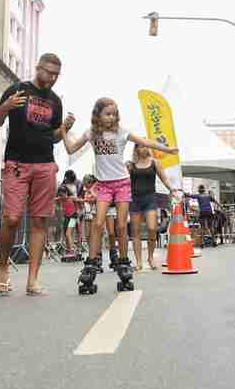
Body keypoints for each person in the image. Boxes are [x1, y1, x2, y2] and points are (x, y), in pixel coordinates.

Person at [64, 97, 178, 295]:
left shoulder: (121, 132)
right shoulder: (91, 133)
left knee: (120, 225)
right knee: (98, 224)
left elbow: (145, 141)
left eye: (114, 113)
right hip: (104, 185)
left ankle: (124, 263)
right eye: (108, 113)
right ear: (98, 115)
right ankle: (91, 263)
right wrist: (64, 131)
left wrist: (167, 149)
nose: (112, 117)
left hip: (122, 183)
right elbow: (71, 148)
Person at [0, 53, 72, 296]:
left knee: (39, 221)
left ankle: (32, 279)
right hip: (17, 163)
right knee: (12, 218)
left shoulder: (56, 101)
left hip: (45, 164)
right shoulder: (17, 90)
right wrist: (5, 107)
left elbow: (54, 136)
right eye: (48, 72)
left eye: (56, 75)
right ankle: (3, 266)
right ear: (38, 68)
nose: (52, 78)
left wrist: (64, 127)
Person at [127, 144, 176, 271]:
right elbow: (123, 182)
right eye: (141, 147)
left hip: (150, 199)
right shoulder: (130, 165)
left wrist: (172, 189)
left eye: (146, 146)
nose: (144, 149)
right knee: (135, 232)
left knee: (152, 228)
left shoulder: (155, 163)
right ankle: (138, 261)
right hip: (134, 200)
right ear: (136, 149)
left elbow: (164, 179)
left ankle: (150, 257)